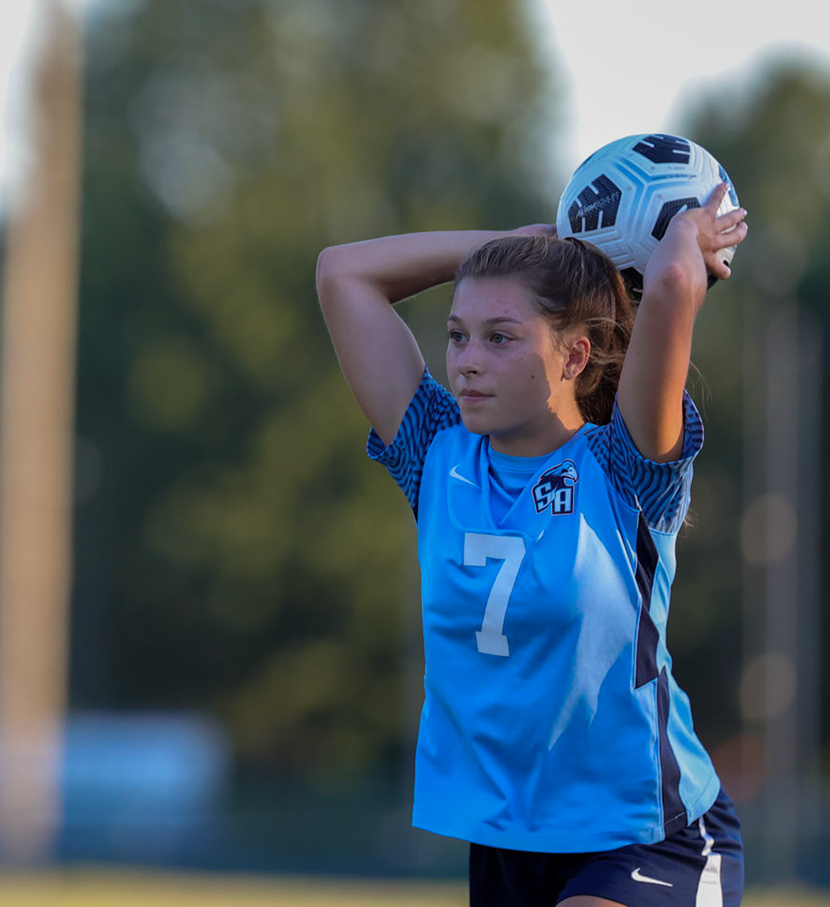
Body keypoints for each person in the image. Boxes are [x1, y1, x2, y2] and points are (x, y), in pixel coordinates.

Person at [315, 184, 748, 907]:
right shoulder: (436, 459)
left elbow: (673, 281)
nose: (466, 361)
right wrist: (516, 245)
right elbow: (341, 274)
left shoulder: (625, 468)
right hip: (513, 841)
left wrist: (684, 238)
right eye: (456, 335)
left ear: (575, 357)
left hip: (647, 832)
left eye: (500, 337)